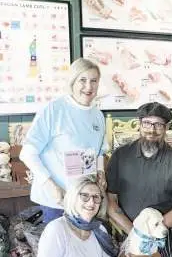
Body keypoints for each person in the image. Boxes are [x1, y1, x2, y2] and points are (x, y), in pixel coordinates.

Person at [106, 102, 172, 257]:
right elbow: (111, 202)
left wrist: (152, 233)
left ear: (166, 128)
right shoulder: (120, 156)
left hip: (165, 229)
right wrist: (136, 233)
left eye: (158, 125)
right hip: (128, 229)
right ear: (139, 124)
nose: (152, 130)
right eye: (147, 123)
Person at [20, 58, 108, 224]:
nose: (88, 87)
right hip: (57, 199)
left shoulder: (98, 115)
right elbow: (28, 153)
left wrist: (101, 172)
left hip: (84, 201)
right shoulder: (54, 109)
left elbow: (100, 151)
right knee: (60, 247)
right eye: (83, 80)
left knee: (84, 246)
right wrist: (51, 185)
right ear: (72, 81)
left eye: (94, 81)